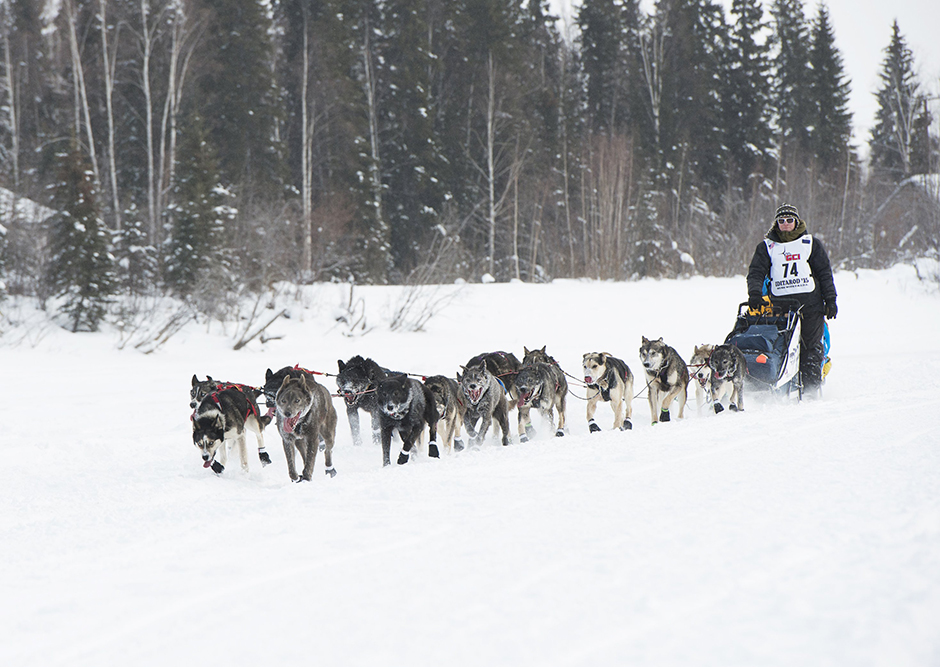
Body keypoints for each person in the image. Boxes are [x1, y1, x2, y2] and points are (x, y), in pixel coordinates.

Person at [746, 203, 837, 394]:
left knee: (811, 349)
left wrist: (830, 299)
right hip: (780, 309)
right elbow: (756, 273)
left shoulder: (811, 244)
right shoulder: (767, 247)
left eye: (789, 220)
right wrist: (754, 294)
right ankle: (777, 389)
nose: (785, 224)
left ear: (796, 222)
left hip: (811, 306)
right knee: (782, 348)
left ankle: (811, 392)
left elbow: (824, 273)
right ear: (776, 223)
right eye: (781, 221)